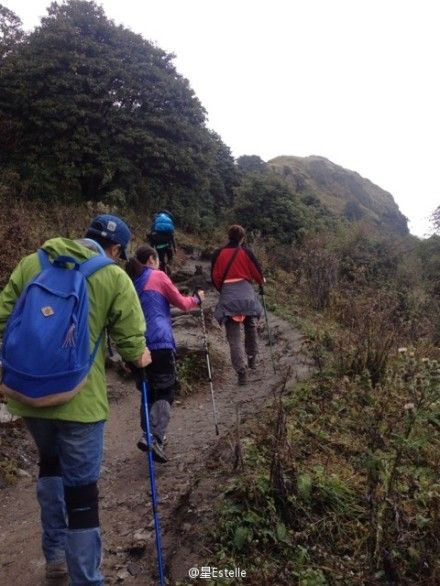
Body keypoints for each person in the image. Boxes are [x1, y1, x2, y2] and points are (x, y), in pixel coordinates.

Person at [0, 214, 151, 585]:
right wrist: (142, 359)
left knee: (50, 465)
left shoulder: (33, 262)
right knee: (82, 494)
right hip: (80, 403)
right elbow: (133, 344)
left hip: (29, 395)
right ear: (115, 249)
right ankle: (86, 578)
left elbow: (4, 318)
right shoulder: (113, 276)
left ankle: (54, 559)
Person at [126, 245, 204, 463]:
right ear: (152, 259)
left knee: (148, 391)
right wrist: (197, 298)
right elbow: (183, 304)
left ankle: (150, 433)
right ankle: (154, 436)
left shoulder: (130, 283)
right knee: (165, 391)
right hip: (160, 342)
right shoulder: (158, 276)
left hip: (137, 344)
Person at [211, 224, 265, 386]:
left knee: (233, 336)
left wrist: (224, 289)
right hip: (246, 293)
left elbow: (215, 277)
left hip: (229, 294)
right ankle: (252, 358)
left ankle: (241, 373)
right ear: (242, 238)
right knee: (250, 324)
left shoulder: (218, 253)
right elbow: (257, 273)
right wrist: (261, 283)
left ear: (229, 236)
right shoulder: (246, 252)